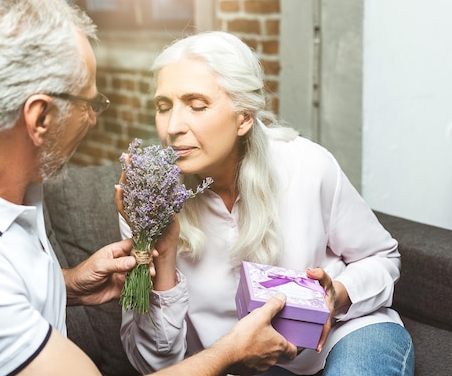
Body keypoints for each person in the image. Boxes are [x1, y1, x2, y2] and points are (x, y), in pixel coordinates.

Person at [0, 0, 297, 376]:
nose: (91, 119)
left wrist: (67, 284)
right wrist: (230, 354)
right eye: (90, 102)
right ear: (40, 118)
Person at [118, 31, 415, 376]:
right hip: (244, 365)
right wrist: (163, 257)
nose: (172, 127)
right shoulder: (147, 203)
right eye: (163, 107)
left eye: (197, 105)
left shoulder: (307, 165)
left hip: (345, 336)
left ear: (244, 116)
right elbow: (156, 365)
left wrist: (339, 295)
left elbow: (382, 257)